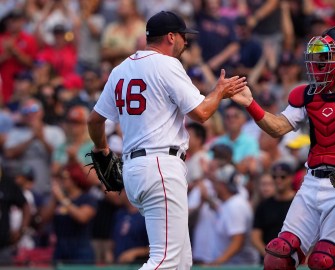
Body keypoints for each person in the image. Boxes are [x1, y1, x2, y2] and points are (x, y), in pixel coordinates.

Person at [87, 11, 246, 270]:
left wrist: (102, 148)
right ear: (171, 37)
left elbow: (94, 120)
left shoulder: (121, 69)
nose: (186, 43)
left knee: (182, 261)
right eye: (184, 37)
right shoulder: (166, 64)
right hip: (160, 166)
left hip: (135, 169)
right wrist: (220, 91)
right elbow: (202, 113)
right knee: (166, 260)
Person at [232, 26, 335, 269]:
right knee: (278, 257)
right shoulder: (310, 93)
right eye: (318, 56)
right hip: (311, 182)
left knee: (323, 261)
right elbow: (277, 127)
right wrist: (250, 103)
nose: (319, 62)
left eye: (326, 56)